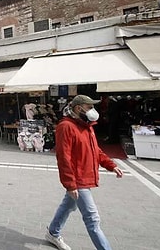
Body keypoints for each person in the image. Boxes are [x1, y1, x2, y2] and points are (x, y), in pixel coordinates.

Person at [45, 95, 123, 250]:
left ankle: (53, 233)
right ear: (78, 108)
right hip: (78, 179)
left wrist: (110, 165)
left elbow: (96, 150)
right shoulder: (66, 126)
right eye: (89, 107)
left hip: (84, 176)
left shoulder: (87, 126)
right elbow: (63, 157)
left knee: (68, 206)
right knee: (92, 219)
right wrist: (70, 184)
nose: (93, 110)